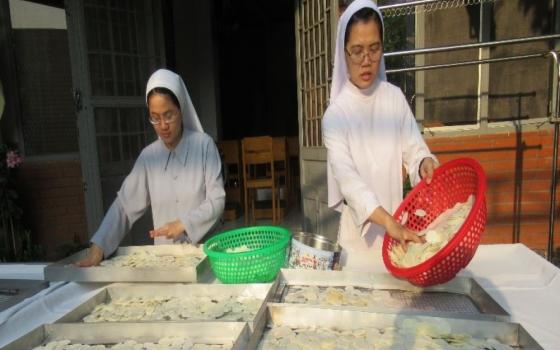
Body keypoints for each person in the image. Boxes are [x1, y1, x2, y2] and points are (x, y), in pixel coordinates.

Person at [322, 0, 438, 272]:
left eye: (374, 49)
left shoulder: (394, 98)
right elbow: (350, 183)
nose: (366, 61)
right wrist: (389, 223)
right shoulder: (336, 116)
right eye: (357, 51)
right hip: (358, 244)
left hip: (399, 238)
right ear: (344, 53)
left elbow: (415, 150)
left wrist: (424, 164)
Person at [76, 69, 225, 266]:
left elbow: (217, 200)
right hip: (165, 261)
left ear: (181, 109)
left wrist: (184, 223)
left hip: (205, 255)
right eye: (155, 117)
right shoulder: (149, 157)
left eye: (169, 115)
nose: (163, 125)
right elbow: (124, 206)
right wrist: (98, 247)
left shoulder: (204, 145)